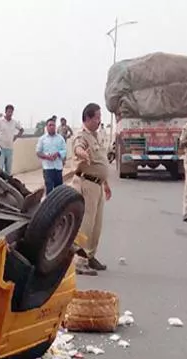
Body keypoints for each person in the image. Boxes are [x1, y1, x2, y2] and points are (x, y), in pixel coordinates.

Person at [71, 103, 112, 276]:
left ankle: (90, 256)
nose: (99, 121)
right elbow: (78, 148)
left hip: (98, 185)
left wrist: (106, 183)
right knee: (86, 225)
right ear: (87, 118)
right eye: (96, 117)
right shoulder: (82, 136)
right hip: (86, 184)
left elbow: (101, 161)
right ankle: (79, 261)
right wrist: (82, 153)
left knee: (97, 225)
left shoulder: (96, 136)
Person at [35, 117, 67, 195]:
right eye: (50, 125)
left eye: (53, 125)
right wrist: (47, 157)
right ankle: (49, 206)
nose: (52, 127)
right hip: (47, 167)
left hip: (58, 167)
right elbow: (38, 152)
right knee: (49, 188)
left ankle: (58, 206)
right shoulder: (42, 139)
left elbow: (65, 151)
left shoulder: (60, 138)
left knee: (58, 189)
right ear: (47, 127)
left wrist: (58, 154)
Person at [0, 104, 24, 175]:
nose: (10, 114)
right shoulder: (0, 121)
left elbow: (21, 130)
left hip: (10, 148)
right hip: (1, 147)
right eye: (9, 112)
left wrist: (16, 137)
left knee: (8, 169)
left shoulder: (14, 122)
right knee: (0, 168)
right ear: (5, 112)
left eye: (11, 112)